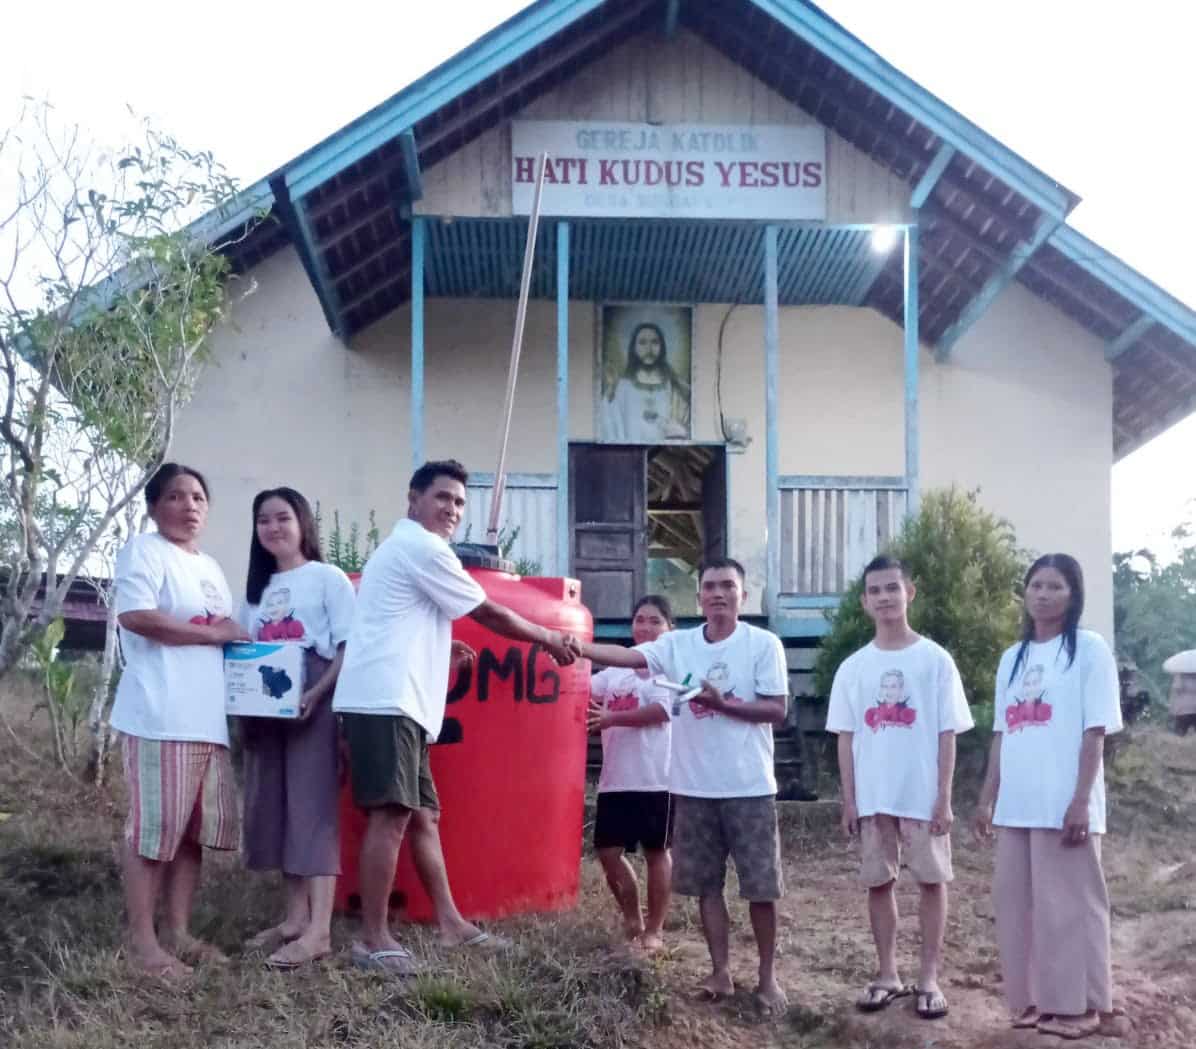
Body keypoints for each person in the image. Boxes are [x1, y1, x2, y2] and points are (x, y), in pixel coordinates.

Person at [332, 459, 581, 974]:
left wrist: (440, 651)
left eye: (460, 502)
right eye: (442, 497)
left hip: (403, 701)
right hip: (386, 701)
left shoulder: (405, 551)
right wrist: (548, 637)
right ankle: (373, 939)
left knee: (423, 815)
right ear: (414, 498)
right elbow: (487, 612)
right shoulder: (421, 547)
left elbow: (396, 622)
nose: (452, 509)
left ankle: (450, 923)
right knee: (390, 815)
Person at [580, 558, 790, 1015]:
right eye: (710, 586)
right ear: (699, 597)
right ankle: (720, 972)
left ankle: (767, 979)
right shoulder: (678, 646)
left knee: (760, 888)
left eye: (727, 586)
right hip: (694, 788)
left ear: (743, 595)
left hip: (750, 787)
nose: (718, 593)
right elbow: (627, 656)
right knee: (707, 888)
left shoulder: (763, 644)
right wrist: (575, 645)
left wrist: (723, 704)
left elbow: (777, 710)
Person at [974, 554, 1123, 1040]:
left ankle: (1081, 1007)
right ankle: (1032, 1001)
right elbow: (1002, 733)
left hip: (1064, 804)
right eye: (1035, 584)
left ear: (1073, 595)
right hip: (1017, 805)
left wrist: (1081, 800)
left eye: (1055, 586)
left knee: (1069, 906)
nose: (1042, 594)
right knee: (1016, 906)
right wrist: (987, 798)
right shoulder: (1011, 659)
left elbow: (1095, 730)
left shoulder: (1089, 650)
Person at [110, 463, 250, 980]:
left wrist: (231, 631)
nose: (189, 505)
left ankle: (178, 932)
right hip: (160, 715)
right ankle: (143, 944)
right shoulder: (144, 552)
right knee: (154, 832)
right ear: (154, 507)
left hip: (206, 720)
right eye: (175, 496)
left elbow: (225, 626)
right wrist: (213, 635)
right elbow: (136, 616)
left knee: (191, 834)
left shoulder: (208, 567)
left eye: (198, 497)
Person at [826, 556, 973, 1021]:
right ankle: (887, 973)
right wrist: (850, 799)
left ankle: (929, 978)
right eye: (875, 590)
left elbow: (947, 732)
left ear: (910, 592)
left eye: (892, 587)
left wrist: (943, 797)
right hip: (874, 796)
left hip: (921, 795)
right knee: (878, 881)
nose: (884, 597)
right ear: (864, 601)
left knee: (931, 880)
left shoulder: (935, 660)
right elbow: (846, 738)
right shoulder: (854, 668)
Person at [237, 487, 356, 968]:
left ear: (303, 522)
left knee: (312, 809)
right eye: (263, 520)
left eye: (282, 517)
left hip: (313, 699)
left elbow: (348, 647)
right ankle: (293, 918)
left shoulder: (328, 579)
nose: (273, 527)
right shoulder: (255, 591)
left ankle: (319, 931)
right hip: (265, 703)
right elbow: (244, 652)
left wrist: (317, 693)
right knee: (278, 809)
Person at [586, 594, 675, 951]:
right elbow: (582, 690)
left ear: (669, 628)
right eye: (640, 619)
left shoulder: (669, 670)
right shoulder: (614, 672)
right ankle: (632, 918)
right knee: (608, 851)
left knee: (657, 853)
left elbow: (661, 712)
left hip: (657, 778)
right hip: (615, 779)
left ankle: (655, 929)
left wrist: (612, 718)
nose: (646, 627)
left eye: (655, 621)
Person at [600, 322, 691, 442]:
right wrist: (611, 390)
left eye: (655, 342)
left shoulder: (675, 386)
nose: (649, 349)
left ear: (662, 347)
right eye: (642, 343)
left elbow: (686, 425)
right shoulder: (622, 386)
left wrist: (679, 430)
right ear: (634, 348)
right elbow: (609, 420)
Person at [1163, 650, 1196, 735]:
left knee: (1179, 734)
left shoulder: (1180, 675)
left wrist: (1171, 709)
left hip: (1183, 710)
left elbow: (1176, 690)